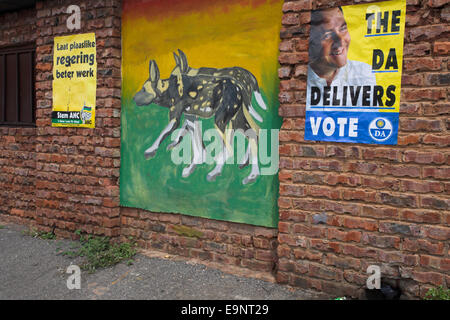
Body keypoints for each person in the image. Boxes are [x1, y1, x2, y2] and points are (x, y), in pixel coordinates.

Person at [307, 7, 376, 107]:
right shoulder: (299, 81)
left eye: (343, 28)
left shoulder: (363, 73)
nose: (340, 41)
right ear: (311, 42)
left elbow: (370, 119)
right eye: (327, 35)